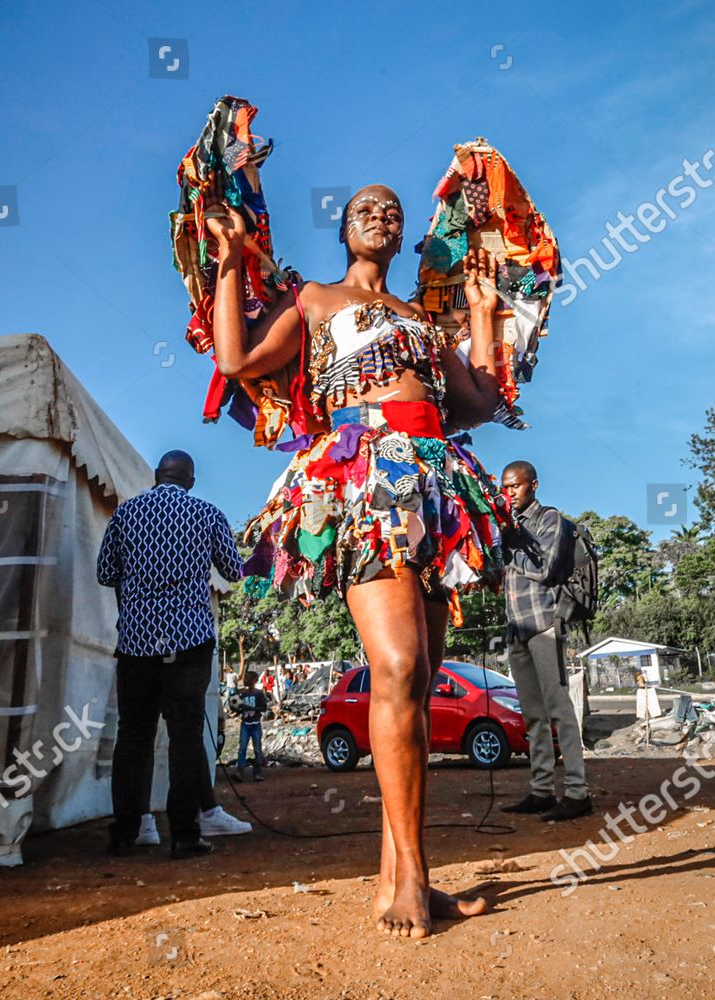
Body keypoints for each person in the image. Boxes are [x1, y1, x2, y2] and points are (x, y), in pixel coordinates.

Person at [207, 183, 507, 937]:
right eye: (366, 207)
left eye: (394, 210)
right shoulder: (314, 299)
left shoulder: (420, 318)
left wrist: (478, 309)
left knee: (417, 683)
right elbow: (236, 357)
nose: (381, 214)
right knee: (399, 667)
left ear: (404, 236)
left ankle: (398, 881)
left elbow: (477, 403)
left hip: (436, 485)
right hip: (367, 474)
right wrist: (232, 261)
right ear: (344, 228)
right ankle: (415, 879)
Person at [97, 450, 244, 860]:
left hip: (136, 645)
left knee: (133, 738)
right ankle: (185, 834)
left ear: (156, 476)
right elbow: (233, 571)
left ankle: (129, 831)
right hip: (190, 643)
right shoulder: (208, 513)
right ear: (190, 481)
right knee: (185, 738)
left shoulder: (125, 514)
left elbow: (105, 573)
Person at [497, 461, 592, 822]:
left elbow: (545, 569)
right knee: (533, 716)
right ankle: (540, 790)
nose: (509, 493)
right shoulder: (512, 527)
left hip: (544, 624)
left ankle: (577, 792)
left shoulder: (548, 520)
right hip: (516, 628)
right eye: (506, 488)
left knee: (559, 711)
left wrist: (510, 550)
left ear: (532, 486)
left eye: (515, 487)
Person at [230, 670, 271, 781]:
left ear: (254, 681)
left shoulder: (258, 694)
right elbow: (237, 708)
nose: (244, 680)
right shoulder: (242, 694)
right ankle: (239, 772)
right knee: (242, 748)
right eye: (244, 678)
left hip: (255, 725)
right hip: (245, 725)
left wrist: (251, 708)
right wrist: (236, 708)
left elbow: (264, 708)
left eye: (247, 678)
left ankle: (257, 773)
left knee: (257, 749)